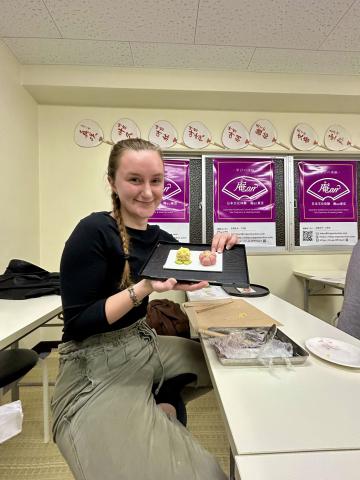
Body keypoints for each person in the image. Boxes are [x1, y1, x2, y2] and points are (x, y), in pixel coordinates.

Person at [51, 138, 237, 480]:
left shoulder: (160, 238)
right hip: (93, 363)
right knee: (205, 473)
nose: (148, 192)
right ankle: (154, 410)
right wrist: (145, 286)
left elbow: (198, 268)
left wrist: (222, 249)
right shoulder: (93, 231)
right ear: (112, 181)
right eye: (135, 179)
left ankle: (163, 396)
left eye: (157, 180)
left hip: (142, 344)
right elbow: (78, 322)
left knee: (223, 364)